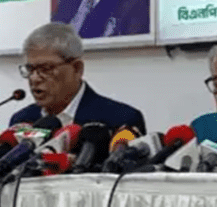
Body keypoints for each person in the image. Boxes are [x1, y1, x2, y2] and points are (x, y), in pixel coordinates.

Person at [10, 23, 145, 136]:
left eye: (46, 68)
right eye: (30, 69)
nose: (34, 78)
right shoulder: (22, 121)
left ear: (77, 68)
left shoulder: (120, 120)